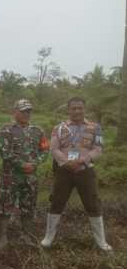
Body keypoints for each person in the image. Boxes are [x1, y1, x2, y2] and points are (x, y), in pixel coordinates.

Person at [40, 97, 112, 252]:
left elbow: (98, 150)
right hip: (64, 171)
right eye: (74, 108)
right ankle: (48, 238)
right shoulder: (58, 128)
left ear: (84, 109)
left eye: (80, 108)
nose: (77, 111)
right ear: (69, 110)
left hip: (85, 171)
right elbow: (53, 149)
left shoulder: (95, 128)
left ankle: (101, 242)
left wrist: (82, 161)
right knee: (57, 202)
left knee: (92, 204)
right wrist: (67, 162)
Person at [0, 99, 49, 249]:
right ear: (15, 112)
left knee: (29, 206)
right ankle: (2, 238)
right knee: (5, 206)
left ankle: (27, 236)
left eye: (28, 111)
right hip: (10, 176)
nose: (26, 114)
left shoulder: (38, 131)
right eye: (23, 111)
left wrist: (35, 163)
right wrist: (21, 164)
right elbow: (4, 151)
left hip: (30, 176)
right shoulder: (6, 130)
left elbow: (45, 150)